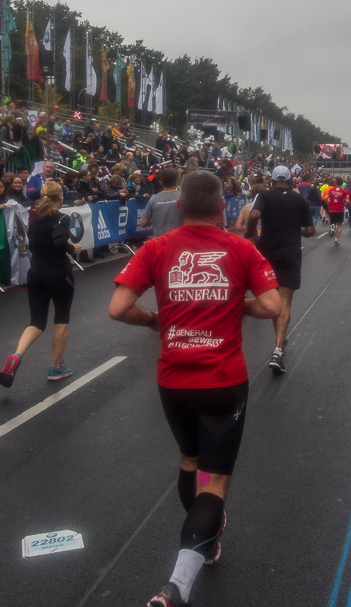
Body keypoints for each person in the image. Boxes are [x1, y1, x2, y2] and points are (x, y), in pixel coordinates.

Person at [108, 171, 281, 607]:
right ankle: (178, 583)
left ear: (180, 206)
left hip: (173, 380)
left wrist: (153, 319)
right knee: (215, 481)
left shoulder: (156, 248)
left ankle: (204, 541)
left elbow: (117, 308)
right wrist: (234, 303)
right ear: (223, 207)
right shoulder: (241, 248)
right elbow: (274, 306)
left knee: (190, 461)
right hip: (223, 381)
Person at [0, 181, 81, 387]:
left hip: (35, 274)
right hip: (59, 274)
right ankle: (55, 368)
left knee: (36, 322)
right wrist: (73, 249)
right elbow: (60, 243)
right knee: (61, 320)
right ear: (60, 196)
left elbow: (32, 245)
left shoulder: (35, 219)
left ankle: (17, 354)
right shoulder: (63, 218)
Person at [245, 166, 315, 373]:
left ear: (272, 180)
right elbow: (310, 231)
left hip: (267, 256)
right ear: (291, 179)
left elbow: (255, 213)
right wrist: (296, 229)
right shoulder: (299, 200)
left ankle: (279, 342)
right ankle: (278, 349)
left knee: (273, 302)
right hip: (290, 255)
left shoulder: (263, 196)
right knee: (284, 303)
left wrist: (251, 233)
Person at [142, 167, 185, 237]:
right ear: (176, 182)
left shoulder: (154, 199)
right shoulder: (184, 197)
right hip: (177, 240)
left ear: (161, 182)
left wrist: (155, 218)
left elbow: (142, 223)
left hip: (159, 241)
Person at [325, 177, 349, 247]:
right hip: (340, 209)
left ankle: (332, 227)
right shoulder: (344, 191)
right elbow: (347, 201)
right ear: (342, 183)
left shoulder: (331, 190)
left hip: (332, 209)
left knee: (333, 222)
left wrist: (328, 204)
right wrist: (346, 204)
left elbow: (325, 198)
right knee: (340, 225)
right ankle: (336, 239)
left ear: (336, 183)